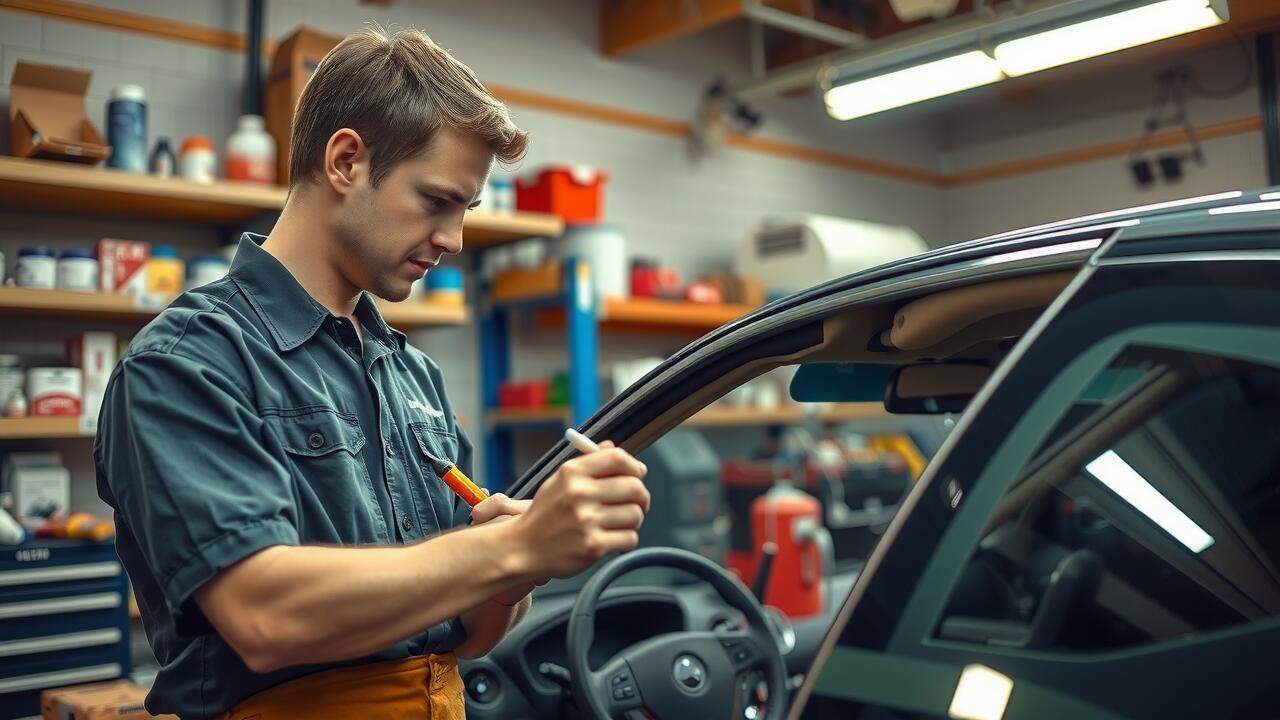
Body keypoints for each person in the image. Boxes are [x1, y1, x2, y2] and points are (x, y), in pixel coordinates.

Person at [95, 27, 650, 720]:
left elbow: (473, 636)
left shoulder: (412, 376)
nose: (452, 240)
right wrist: (511, 545)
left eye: (465, 212)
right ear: (347, 161)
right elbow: (265, 615)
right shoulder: (187, 363)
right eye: (437, 201)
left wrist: (516, 571)